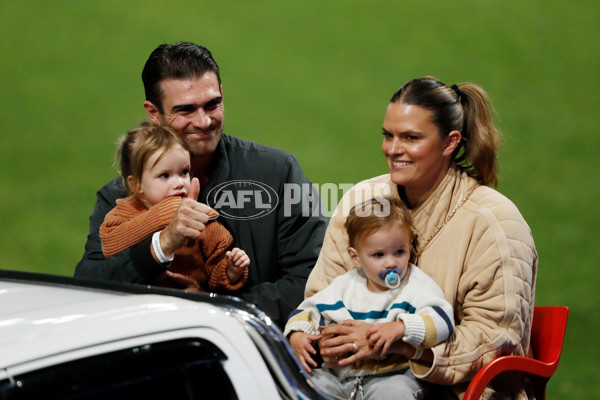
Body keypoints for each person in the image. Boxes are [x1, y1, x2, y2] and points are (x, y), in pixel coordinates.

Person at [305, 77, 538, 399]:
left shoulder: (494, 221)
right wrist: (325, 336)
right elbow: (323, 294)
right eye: (388, 135)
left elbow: (493, 339)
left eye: (411, 138)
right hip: (353, 382)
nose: (393, 149)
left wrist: (401, 345)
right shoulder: (360, 202)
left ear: (449, 142)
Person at [75, 41, 327, 329]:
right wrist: (162, 245)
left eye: (213, 104)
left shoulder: (277, 173)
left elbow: (313, 278)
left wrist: (212, 306)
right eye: (185, 110)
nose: (204, 121)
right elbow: (89, 287)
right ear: (154, 113)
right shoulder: (120, 196)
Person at [285, 196, 454, 400]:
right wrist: (297, 334)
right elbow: (308, 310)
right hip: (340, 375)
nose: (391, 263)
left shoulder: (416, 285)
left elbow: (442, 320)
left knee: (396, 394)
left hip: (393, 376)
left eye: (399, 251)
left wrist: (402, 328)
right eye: (379, 255)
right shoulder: (345, 285)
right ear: (356, 257)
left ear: (410, 247)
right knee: (306, 386)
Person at [100, 122, 249, 291]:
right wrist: (163, 215)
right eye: (165, 175)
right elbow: (110, 246)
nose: (179, 183)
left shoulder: (202, 220)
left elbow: (217, 277)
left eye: (184, 172)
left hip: (186, 311)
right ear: (136, 185)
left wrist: (231, 271)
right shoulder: (125, 212)